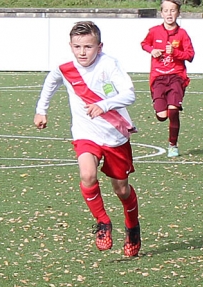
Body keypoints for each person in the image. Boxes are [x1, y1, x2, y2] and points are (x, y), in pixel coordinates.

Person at [34, 20, 141, 257]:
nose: (82, 52)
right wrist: (42, 109)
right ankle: (103, 223)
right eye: (77, 46)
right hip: (86, 133)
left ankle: (132, 227)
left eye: (88, 47)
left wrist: (104, 105)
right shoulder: (65, 68)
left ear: (99, 46)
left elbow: (129, 94)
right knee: (87, 174)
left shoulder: (109, 64)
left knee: (121, 190)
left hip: (114, 136)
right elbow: (50, 82)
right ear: (70, 46)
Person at [141, 0, 195, 158]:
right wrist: (152, 50)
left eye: (173, 10)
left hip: (176, 77)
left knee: (173, 111)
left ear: (178, 13)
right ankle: (161, 111)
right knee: (162, 115)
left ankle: (173, 145)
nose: (169, 14)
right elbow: (144, 44)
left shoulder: (183, 34)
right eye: (166, 10)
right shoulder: (154, 31)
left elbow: (190, 55)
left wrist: (176, 53)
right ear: (161, 13)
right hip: (158, 78)